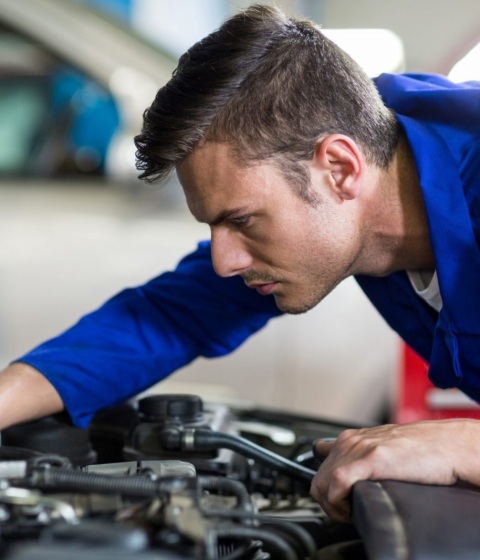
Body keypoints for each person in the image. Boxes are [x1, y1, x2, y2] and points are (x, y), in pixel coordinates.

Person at [2, 3, 480, 523]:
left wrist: (464, 444)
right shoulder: (366, 141)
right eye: (213, 228)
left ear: (340, 169)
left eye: (244, 220)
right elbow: (172, 315)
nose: (224, 261)